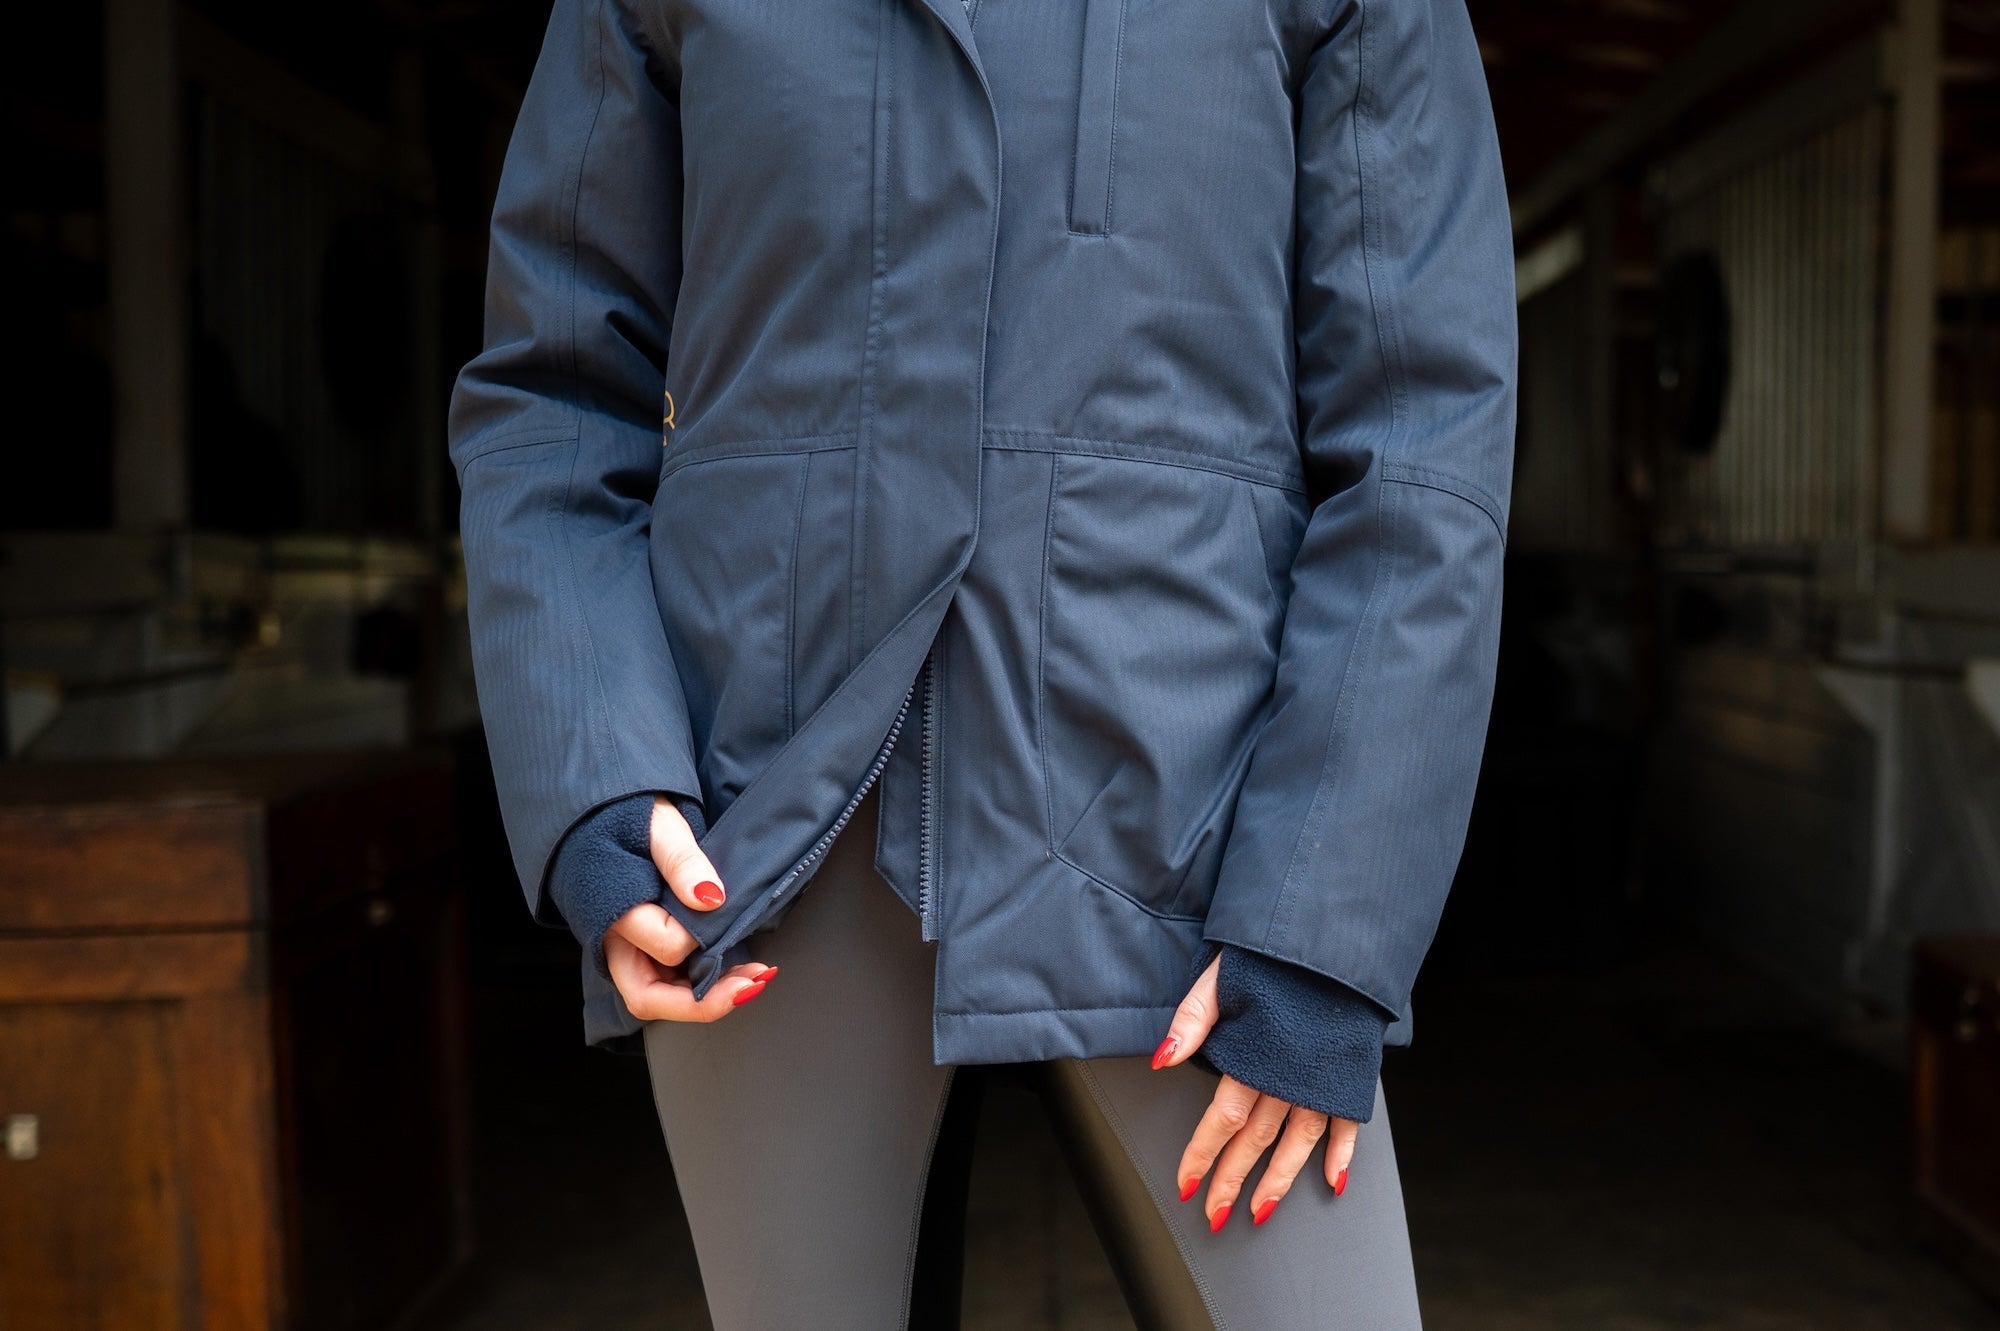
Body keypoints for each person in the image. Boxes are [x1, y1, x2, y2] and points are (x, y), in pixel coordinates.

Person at [446, 0, 1515, 1325]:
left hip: (1198, 845)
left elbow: (1420, 434)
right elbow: (553, 395)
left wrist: (1327, 921)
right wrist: (597, 774)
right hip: (770, 832)